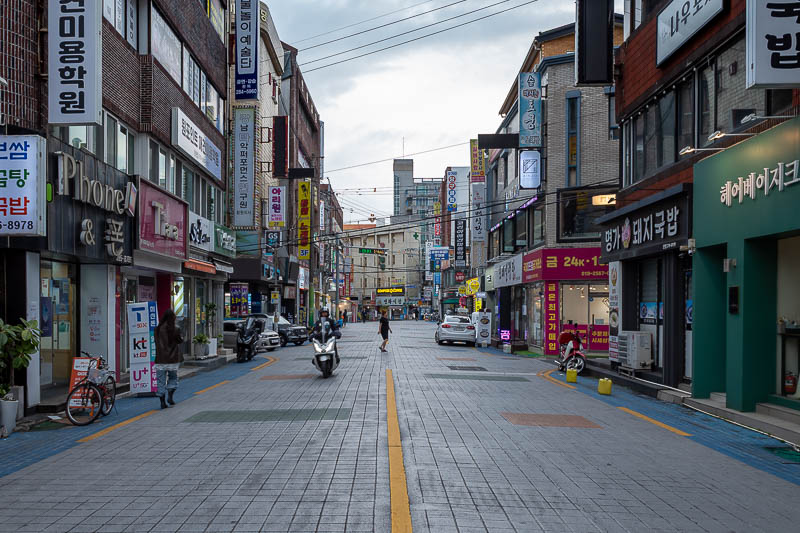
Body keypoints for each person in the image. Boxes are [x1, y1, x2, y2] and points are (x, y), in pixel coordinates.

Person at [154, 309, 184, 409]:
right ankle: (170, 396)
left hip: (160, 359)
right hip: (172, 358)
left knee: (160, 380)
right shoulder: (176, 328)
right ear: (173, 318)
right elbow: (180, 340)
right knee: (173, 378)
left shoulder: (157, 329)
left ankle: (162, 401)